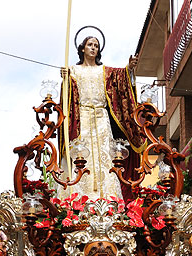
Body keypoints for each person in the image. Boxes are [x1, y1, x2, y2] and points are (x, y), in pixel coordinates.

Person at [60, 34, 145, 201]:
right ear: (82, 48)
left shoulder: (104, 71)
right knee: (82, 154)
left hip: (101, 119)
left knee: (104, 155)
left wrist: (129, 68)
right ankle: (79, 197)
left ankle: (107, 197)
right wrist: (65, 79)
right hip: (82, 118)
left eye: (96, 46)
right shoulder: (73, 70)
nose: (93, 48)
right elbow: (67, 98)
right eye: (90, 44)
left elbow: (120, 79)